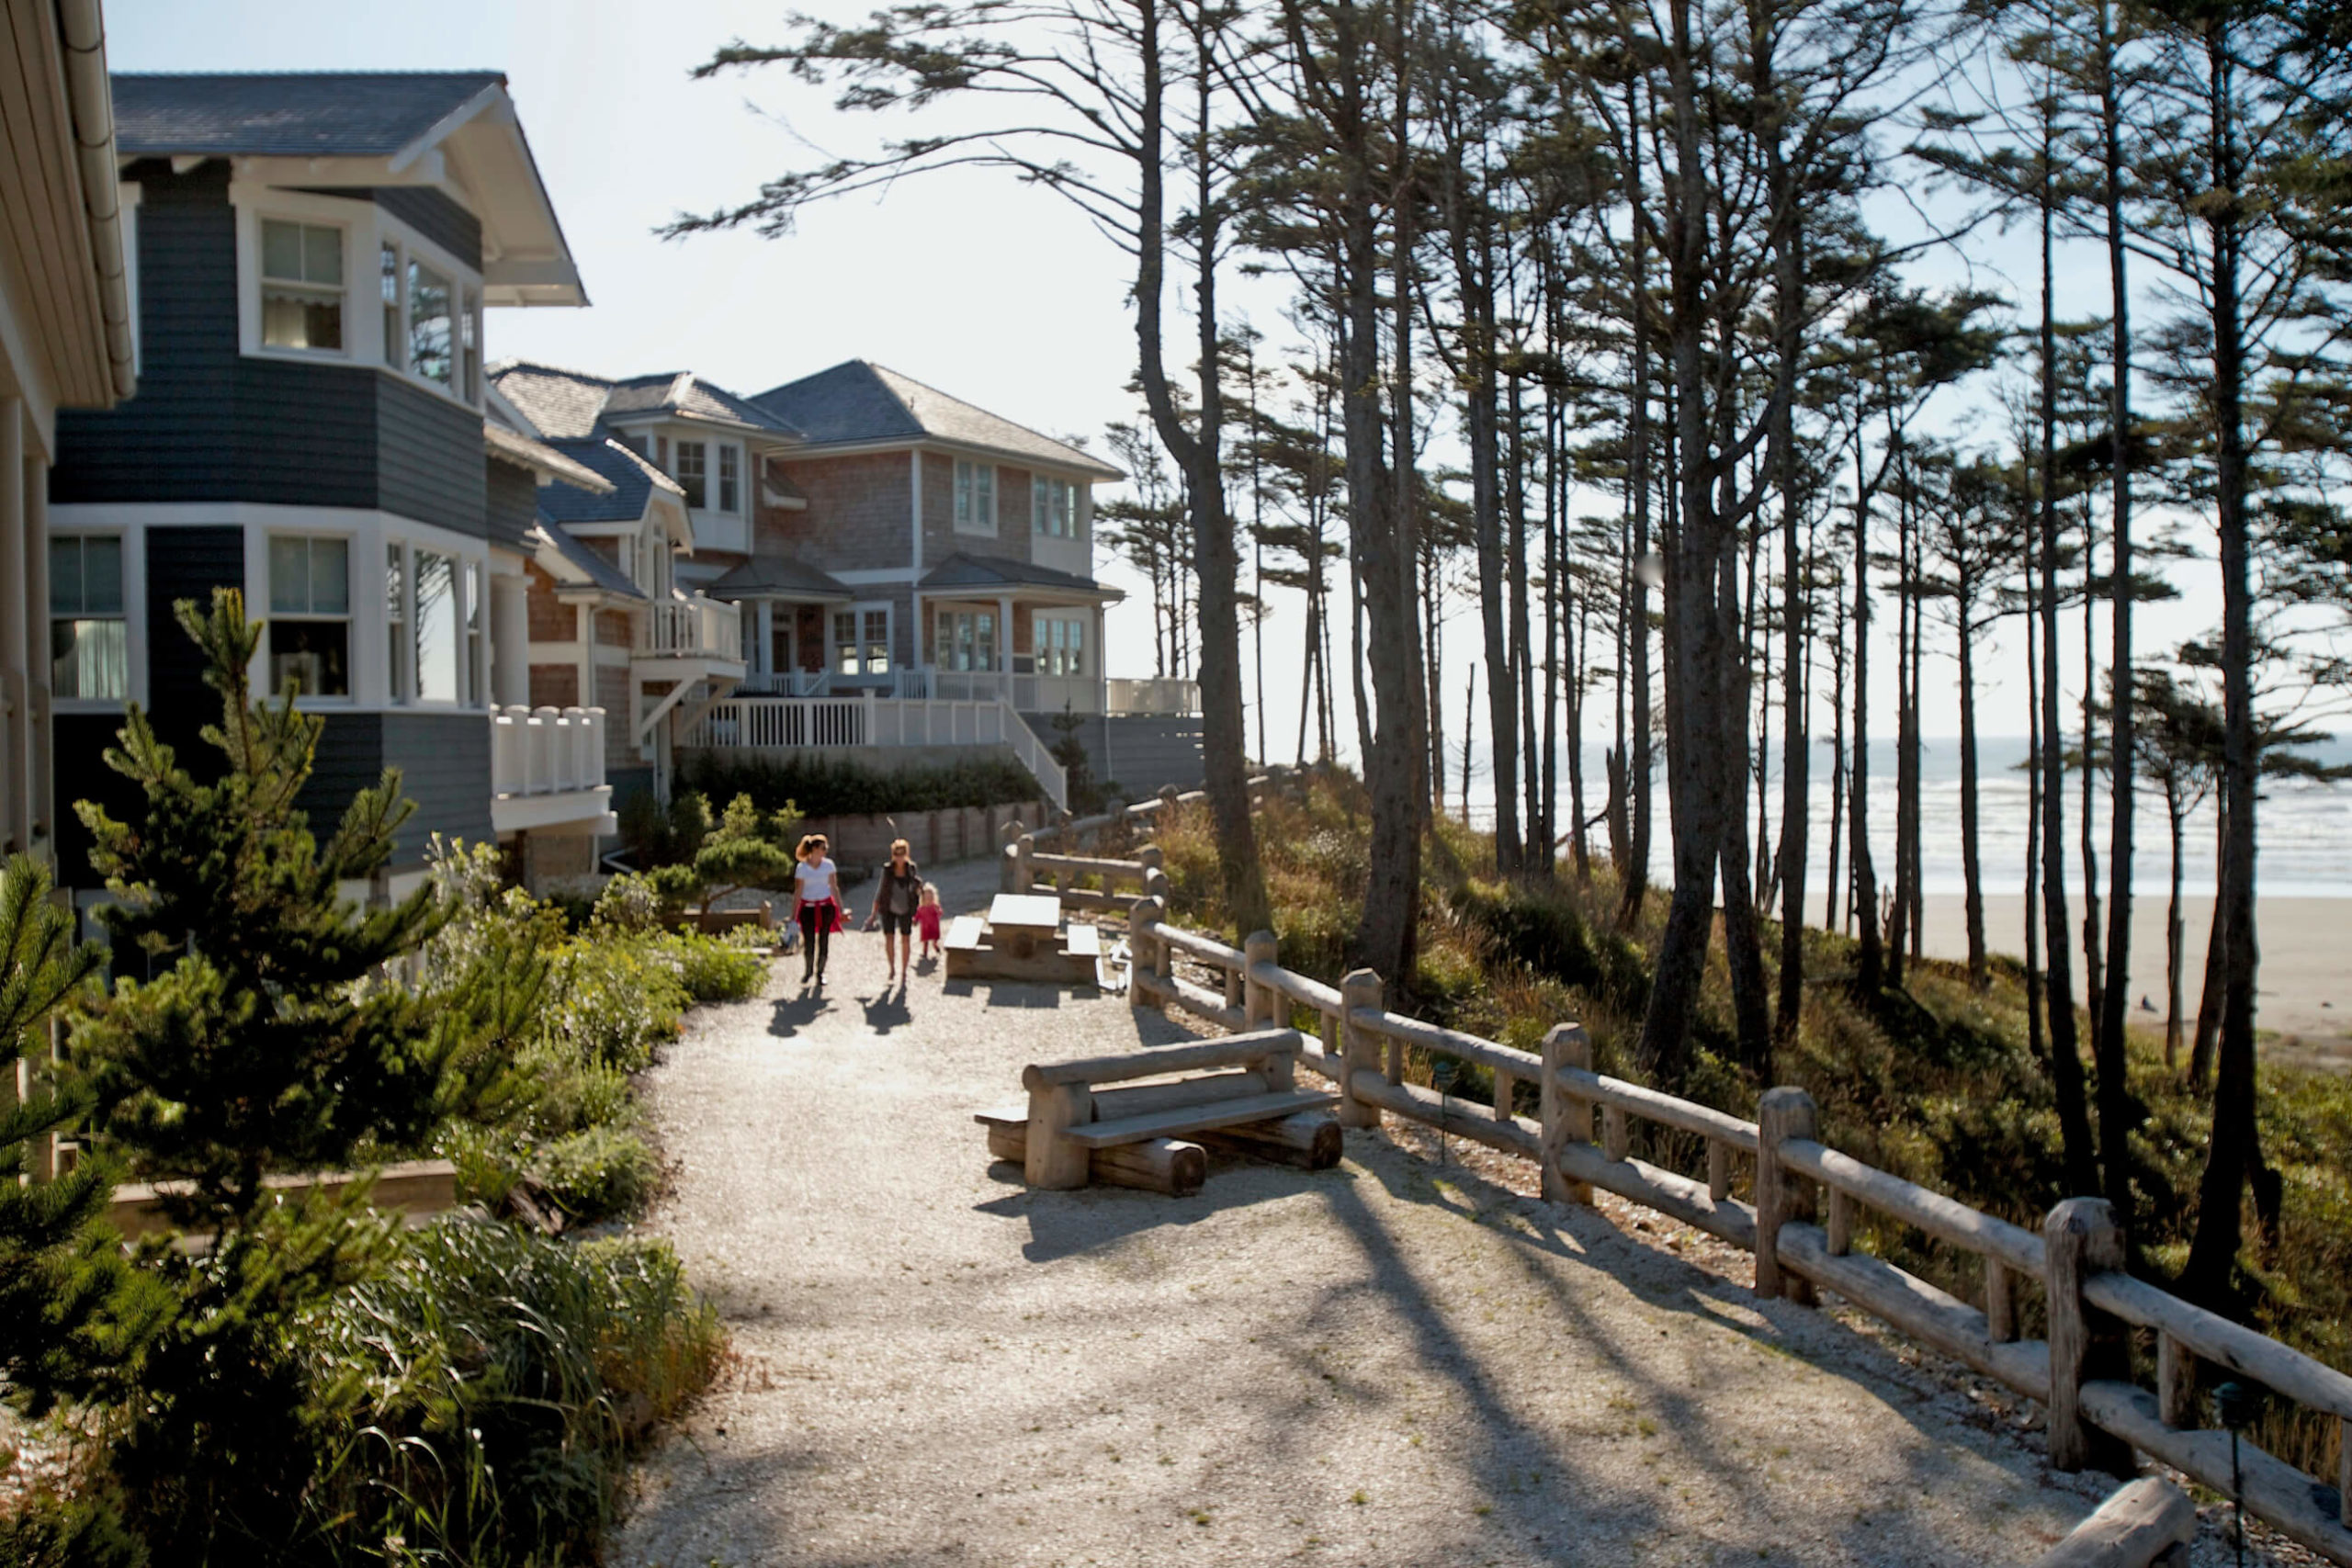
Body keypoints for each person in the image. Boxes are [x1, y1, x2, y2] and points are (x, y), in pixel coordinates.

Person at [789, 833, 843, 986]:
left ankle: (820, 972)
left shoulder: (829, 865)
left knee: (824, 939)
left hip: (826, 907)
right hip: (808, 908)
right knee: (809, 941)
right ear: (814, 849)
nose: (825, 851)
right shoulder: (802, 868)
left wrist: (840, 908)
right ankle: (808, 970)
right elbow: (798, 891)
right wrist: (793, 914)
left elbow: (834, 887)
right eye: (822, 848)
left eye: (826, 848)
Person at [868, 838, 923, 983]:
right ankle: (892, 968)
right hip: (888, 908)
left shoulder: (911, 868)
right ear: (893, 854)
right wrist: (873, 913)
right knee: (889, 938)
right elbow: (881, 891)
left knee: (906, 939)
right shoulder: (887, 869)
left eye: (902, 853)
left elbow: (916, 890)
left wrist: (918, 889)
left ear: (906, 853)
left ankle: (904, 971)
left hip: (906, 908)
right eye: (897, 854)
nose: (899, 857)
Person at [915, 881, 944, 964]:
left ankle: (935, 946)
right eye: (927, 898)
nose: (928, 900)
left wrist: (938, 911)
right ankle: (925, 952)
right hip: (925, 927)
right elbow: (918, 915)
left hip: (934, 926)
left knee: (934, 939)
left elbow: (940, 913)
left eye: (930, 898)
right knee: (925, 941)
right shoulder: (921, 908)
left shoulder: (934, 906)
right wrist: (915, 920)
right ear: (923, 898)